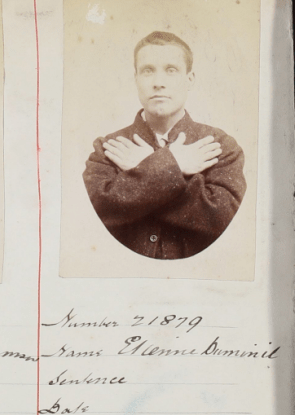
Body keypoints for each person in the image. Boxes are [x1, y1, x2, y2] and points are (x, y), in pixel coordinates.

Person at [83, 31, 246, 260]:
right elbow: (98, 213)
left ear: (189, 79)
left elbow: (222, 219)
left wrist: (148, 167)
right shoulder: (108, 148)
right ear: (136, 79)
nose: (158, 83)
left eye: (171, 70)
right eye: (148, 71)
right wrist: (174, 164)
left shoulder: (220, 146)